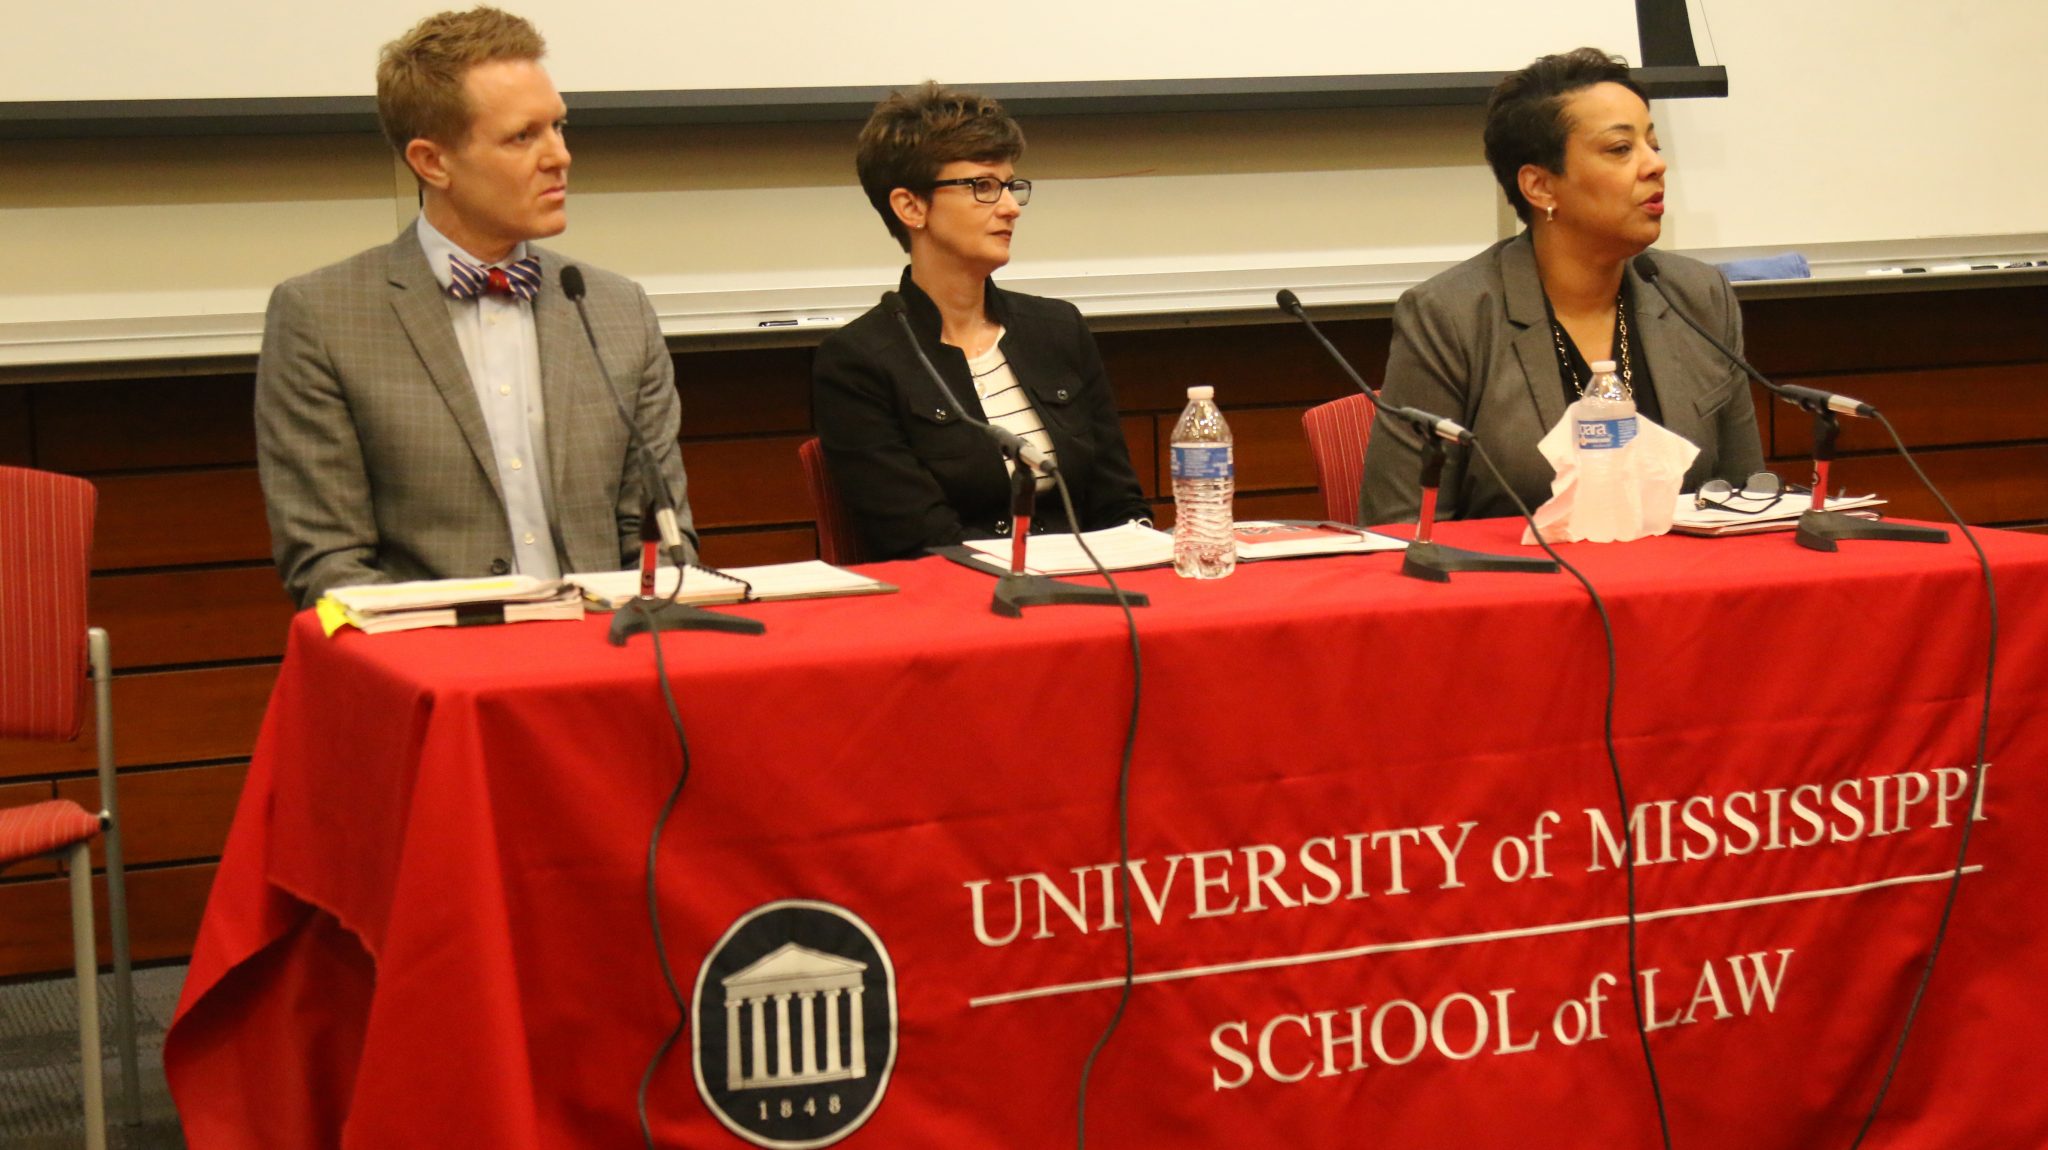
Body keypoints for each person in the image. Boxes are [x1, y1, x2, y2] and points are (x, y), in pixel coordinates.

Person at [255, 6, 692, 609]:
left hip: (604, 659)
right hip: (432, 669)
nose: (559, 156)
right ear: (432, 162)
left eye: (559, 127)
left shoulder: (617, 309)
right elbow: (328, 566)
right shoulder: (321, 318)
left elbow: (662, 545)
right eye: (523, 136)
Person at [1357, 47, 1763, 525]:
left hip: (1680, 591)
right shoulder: (1452, 316)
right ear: (1540, 187)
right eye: (1621, 149)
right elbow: (1402, 527)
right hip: (1521, 593)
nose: (1655, 165)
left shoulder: (1699, 297)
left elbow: (1747, 500)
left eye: (1653, 144)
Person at [811, 84, 1150, 562]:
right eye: (982, 186)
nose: (1010, 206)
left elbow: (1118, 502)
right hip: (967, 605)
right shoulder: (859, 362)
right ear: (911, 207)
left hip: (1096, 587)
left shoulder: (1056, 328)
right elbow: (919, 540)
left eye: (1011, 185)